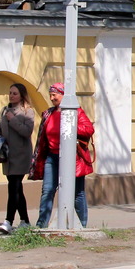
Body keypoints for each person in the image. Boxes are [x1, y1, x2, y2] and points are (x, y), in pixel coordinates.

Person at [32, 83, 94, 229]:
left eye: (55, 95)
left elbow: (89, 129)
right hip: (52, 157)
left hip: (73, 158)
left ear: (64, 95)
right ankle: (41, 225)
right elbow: (42, 138)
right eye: (51, 95)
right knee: (47, 190)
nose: (52, 98)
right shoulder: (48, 113)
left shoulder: (76, 112)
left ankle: (81, 225)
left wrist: (70, 123)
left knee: (77, 193)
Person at [0, 83, 36, 234]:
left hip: (21, 155)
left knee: (13, 187)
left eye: (15, 93)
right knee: (17, 188)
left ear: (21, 95)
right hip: (7, 155)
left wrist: (13, 119)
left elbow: (26, 131)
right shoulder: (4, 110)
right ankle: (25, 221)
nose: (11, 96)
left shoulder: (27, 111)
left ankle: (8, 221)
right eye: (10, 93)